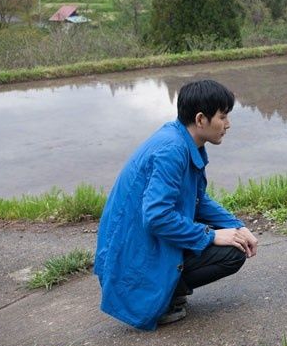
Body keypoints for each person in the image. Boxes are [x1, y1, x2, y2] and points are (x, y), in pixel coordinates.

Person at [94, 79, 258, 330]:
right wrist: (211, 235)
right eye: (223, 117)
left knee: (234, 240)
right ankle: (161, 297)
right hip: (132, 257)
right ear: (201, 119)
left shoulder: (182, 140)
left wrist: (236, 226)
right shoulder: (172, 150)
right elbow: (157, 217)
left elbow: (198, 200)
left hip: (139, 243)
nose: (228, 125)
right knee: (232, 253)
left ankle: (168, 287)